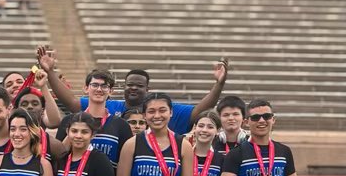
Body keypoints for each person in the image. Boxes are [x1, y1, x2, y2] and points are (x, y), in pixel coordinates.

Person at [38, 45, 228, 134]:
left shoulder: (159, 111)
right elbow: (71, 102)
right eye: (130, 84)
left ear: (148, 88)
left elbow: (198, 111)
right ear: (122, 87)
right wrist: (51, 72)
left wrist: (218, 85)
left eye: (139, 85)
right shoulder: (108, 107)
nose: (134, 88)